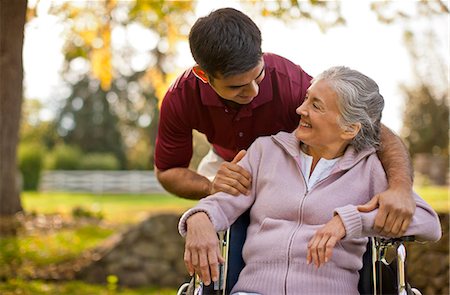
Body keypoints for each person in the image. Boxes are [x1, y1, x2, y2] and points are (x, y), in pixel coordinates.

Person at [178, 66, 442, 294]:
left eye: (316, 106)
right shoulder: (264, 152)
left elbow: (428, 224)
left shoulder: (368, 170)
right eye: (306, 98)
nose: (300, 109)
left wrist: (350, 222)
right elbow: (223, 202)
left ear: (349, 128)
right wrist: (199, 216)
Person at [155, 7, 415, 237]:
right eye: (237, 87)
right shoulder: (180, 97)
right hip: (225, 163)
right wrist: (209, 185)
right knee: (216, 225)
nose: (253, 91)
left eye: (259, 76)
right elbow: (168, 171)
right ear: (203, 74)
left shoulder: (293, 84)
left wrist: (401, 189)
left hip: (288, 164)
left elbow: (370, 128)